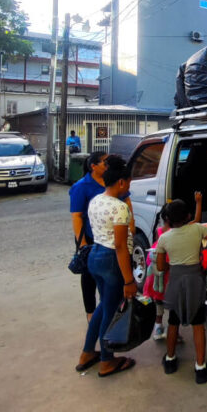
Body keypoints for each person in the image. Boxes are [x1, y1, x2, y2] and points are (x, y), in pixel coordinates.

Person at [76, 155, 137, 377]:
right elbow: (120, 246)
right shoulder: (119, 208)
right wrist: (129, 280)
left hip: (95, 256)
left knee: (103, 307)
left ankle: (87, 353)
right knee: (110, 312)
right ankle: (106, 360)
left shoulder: (96, 201)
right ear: (121, 182)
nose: (128, 187)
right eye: (128, 183)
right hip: (112, 261)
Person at [156, 193, 207, 384]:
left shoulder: (164, 238)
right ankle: (200, 367)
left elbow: (161, 267)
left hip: (176, 283)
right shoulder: (197, 230)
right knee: (198, 324)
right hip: (196, 282)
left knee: (173, 322)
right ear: (188, 216)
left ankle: (170, 360)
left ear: (168, 219)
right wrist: (199, 203)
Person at [69, 151, 108, 322]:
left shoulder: (110, 182)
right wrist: (83, 243)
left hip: (107, 239)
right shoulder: (81, 186)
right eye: (105, 163)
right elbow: (77, 216)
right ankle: (91, 315)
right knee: (89, 278)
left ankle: (105, 312)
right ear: (93, 166)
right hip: (90, 239)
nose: (108, 165)